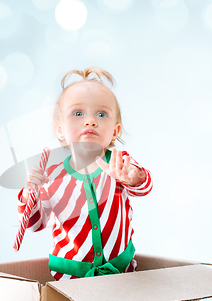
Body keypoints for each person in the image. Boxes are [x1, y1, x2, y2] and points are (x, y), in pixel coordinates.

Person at [17, 67, 152, 281]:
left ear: (115, 131)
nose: (90, 121)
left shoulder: (118, 162)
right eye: (78, 113)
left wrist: (133, 177)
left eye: (101, 114)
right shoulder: (52, 175)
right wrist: (29, 193)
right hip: (69, 274)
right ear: (60, 129)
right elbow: (34, 224)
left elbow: (144, 187)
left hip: (122, 272)